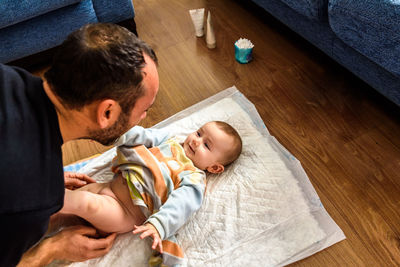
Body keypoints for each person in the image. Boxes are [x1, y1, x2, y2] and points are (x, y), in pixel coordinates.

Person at [0, 23, 159, 267]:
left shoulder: (7, 76)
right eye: (144, 110)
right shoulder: (30, 203)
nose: (143, 119)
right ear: (107, 112)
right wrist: (51, 248)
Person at [59, 121, 242, 266]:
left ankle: (50, 194)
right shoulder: (170, 141)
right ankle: (42, 216)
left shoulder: (193, 178)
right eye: (199, 133)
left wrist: (158, 225)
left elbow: (180, 206)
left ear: (215, 168)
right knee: (57, 212)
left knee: (85, 203)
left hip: (123, 211)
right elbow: (141, 134)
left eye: (206, 145)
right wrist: (112, 134)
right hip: (107, 186)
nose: (196, 140)